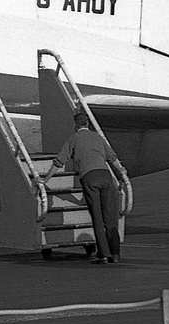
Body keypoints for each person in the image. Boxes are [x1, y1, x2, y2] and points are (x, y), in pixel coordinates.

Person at [43, 111, 126, 264]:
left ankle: (103, 253)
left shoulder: (73, 139)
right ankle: (115, 254)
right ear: (87, 124)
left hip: (89, 177)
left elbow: (59, 162)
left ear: (75, 125)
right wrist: (122, 173)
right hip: (106, 176)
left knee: (97, 217)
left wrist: (45, 179)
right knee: (110, 217)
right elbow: (112, 158)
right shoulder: (98, 137)